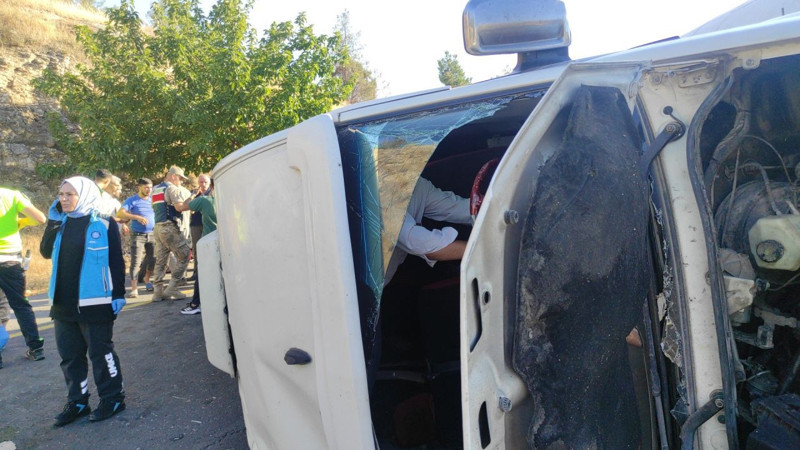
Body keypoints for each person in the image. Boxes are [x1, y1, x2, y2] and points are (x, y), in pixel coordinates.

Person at [40, 176, 127, 426]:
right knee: (70, 357)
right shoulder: (62, 223)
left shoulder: (105, 223)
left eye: (70, 194)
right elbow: (45, 252)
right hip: (62, 303)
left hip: (95, 303)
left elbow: (116, 262)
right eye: (61, 194)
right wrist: (53, 222)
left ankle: (113, 398)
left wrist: (118, 294)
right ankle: (77, 401)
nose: (63, 199)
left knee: (101, 353)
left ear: (85, 194)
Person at [385, 177, 472, 283]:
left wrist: (493, 203)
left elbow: (457, 209)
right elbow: (427, 246)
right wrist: (481, 248)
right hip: (366, 289)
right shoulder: (377, 196)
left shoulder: (417, 184)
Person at [0, 187, 46, 363]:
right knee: (20, 305)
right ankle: (36, 348)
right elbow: (40, 218)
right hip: (10, 260)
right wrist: (21, 222)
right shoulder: (12, 195)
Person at [174, 178, 216, 315]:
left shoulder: (205, 200)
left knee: (201, 273)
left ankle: (195, 303)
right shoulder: (232, 200)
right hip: (228, 243)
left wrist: (192, 195)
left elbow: (181, 207)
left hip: (209, 243)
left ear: (212, 186)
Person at [151, 166, 192, 302]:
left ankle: (157, 292)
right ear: (173, 176)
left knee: (161, 261)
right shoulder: (172, 189)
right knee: (185, 255)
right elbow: (179, 207)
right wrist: (191, 199)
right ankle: (172, 287)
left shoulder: (156, 188)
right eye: (180, 178)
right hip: (169, 227)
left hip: (157, 227)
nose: (181, 181)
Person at [119, 178, 155, 298]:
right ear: (139, 187)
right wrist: (137, 217)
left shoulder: (152, 199)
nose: (149, 190)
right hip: (138, 235)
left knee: (153, 260)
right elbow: (121, 213)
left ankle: (147, 279)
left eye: (150, 187)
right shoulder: (132, 200)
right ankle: (134, 289)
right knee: (136, 262)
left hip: (153, 234)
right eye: (146, 187)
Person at [187, 174, 211, 281]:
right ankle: (196, 272)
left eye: (205, 182)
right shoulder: (194, 193)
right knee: (196, 249)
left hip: (208, 224)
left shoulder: (212, 193)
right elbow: (188, 206)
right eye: (201, 182)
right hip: (196, 224)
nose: (203, 184)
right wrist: (194, 195)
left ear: (209, 183)